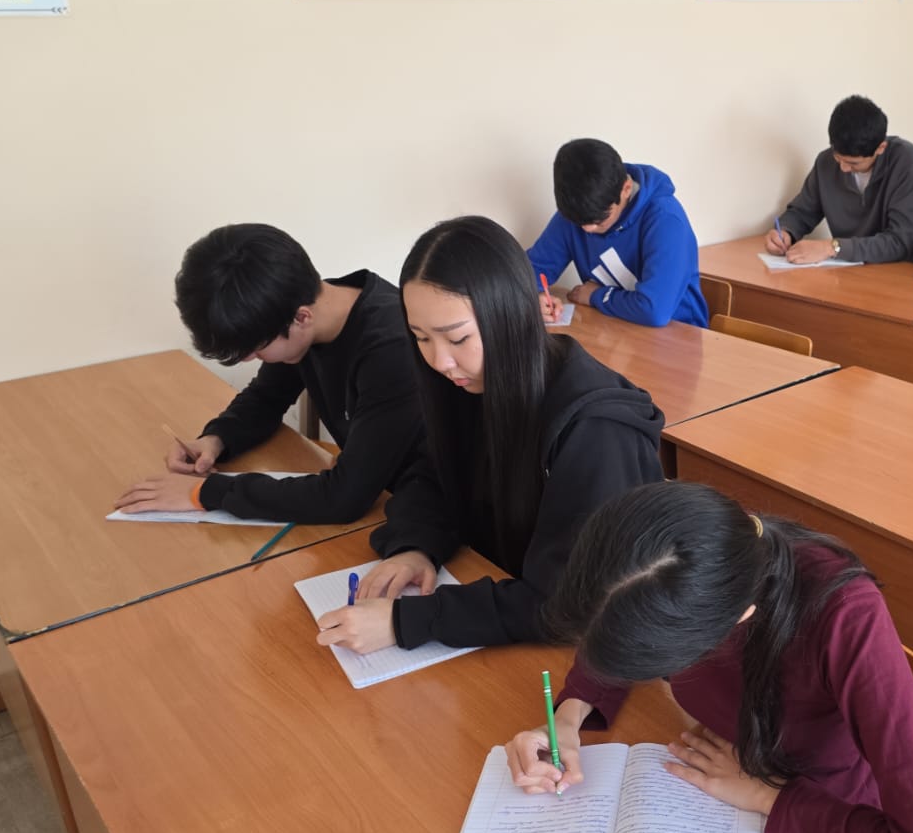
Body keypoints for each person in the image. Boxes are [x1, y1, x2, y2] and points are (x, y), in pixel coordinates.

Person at [504, 481, 913, 833]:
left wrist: (765, 795)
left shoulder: (845, 615)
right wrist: (567, 717)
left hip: (822, 822)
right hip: (721, 790)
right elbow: (621, 611)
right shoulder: (683, 553)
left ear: (738, 619)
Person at [315, 215, 665, 653]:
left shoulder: (596, 430)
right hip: (499, 610)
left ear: (509, 316)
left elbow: (571, 601)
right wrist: (414, 545)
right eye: (421, 338)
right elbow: (432, 475)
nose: (439, 361)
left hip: (580, 647)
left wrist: (408, 621)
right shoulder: (468, 381)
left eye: (457, 338)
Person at [114, 224, 423, 523]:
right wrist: (216, 439)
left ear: (302, 318)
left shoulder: (392, 350)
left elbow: (343, 498)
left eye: (256, 348)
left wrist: (204, 493)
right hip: (386, 498)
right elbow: (266, 398)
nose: (251, 358)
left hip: (425, 513)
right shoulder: (298, 305)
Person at [526, 138, 709, 327]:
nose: (587, 229)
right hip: (615, 328)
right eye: (579, 223)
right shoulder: (579, 213)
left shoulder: (666, 220)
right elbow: (526, 273)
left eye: (599, 220)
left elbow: (654, 310)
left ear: (626, 189)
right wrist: (535, 298)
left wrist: (595, 295)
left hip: (679, 332)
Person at [765, 95, 913, 265]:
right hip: (849, 268)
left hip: (903, 269)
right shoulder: (825, 162)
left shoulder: (906, 161)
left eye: (853, 163)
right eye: (838, 158)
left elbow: (899, 242)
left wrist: (832, 248)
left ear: (880, 148)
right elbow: (802, 212)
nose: (843, 168)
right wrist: (786, 232)